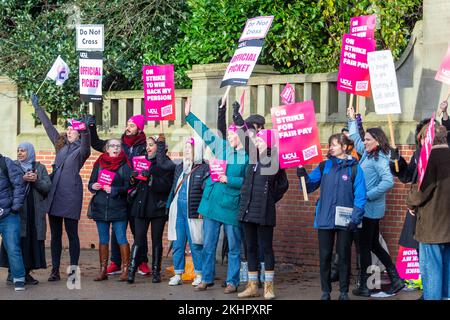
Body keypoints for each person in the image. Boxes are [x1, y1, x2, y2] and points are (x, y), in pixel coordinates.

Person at [185, 99, 249, 294]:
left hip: (231, 205)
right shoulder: (222, 147)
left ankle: (232, 281)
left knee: (234, 248)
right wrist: (189, 115)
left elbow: (247, 183)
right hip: (212, 203)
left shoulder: (248, 156)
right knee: (208, 244)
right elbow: (205, 132)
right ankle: (206, 278)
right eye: (228, 134)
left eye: (232, 134)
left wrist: (228, 179)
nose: (229, 137)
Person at [297, 133, 366, 300]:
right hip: (325, 219)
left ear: (344, 147)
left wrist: (355, 219)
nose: (331, 147)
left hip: (346, 221)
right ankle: (325, 291)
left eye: (334, 144)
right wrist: (302, 175)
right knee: (325, 256)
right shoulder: (324, 166)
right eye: (330, 144)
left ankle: (343, 292)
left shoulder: (355, 168)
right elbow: (309, 185)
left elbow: (360, 195)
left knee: (344, 257)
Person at [31, 93, 91, 281]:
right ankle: (55, 270)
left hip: (71, 196)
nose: (69, 131)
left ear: (79, 133)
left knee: (72, 234)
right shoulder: (61, 145)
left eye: (73, 129)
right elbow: (49, 128)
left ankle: (73, 272)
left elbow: (87, 145)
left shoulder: (82, 149)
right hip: (54, 195)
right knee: (55, 236)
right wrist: (38, 108)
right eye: (69, 128)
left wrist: (86, 129)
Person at [347, 105, 404, 296]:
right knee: (373, 245)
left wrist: (367, 195)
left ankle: (366, 286)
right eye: (365, 139)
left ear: (377, 141)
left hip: (370, 209)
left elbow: (388, 181)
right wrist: (352, 120)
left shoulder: (379, 157)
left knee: (365, 248)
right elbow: (355, 138)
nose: (364, 141)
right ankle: (395, 279)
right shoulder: (368, 152)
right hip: (368, 208)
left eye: (368, 139)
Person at [86, 114, 150, 276]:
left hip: (137, 192)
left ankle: (141, 261)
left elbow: (153, 161)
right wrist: (91, 127)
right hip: (115, 197)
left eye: (132, 125)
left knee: (138, 230)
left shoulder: (144, 145)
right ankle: (115, 262)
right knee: (115, 231)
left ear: (139, 129)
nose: (128, 127)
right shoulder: (118, 143)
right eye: (127, 124)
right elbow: (96, 143)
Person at [236, 128, 289, 300]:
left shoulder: (273, 158)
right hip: (247, 208)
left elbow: (282, 184)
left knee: (266, 248)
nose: (256, 143)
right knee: (250, 248)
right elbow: (244, 140)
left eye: (259, 141)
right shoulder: (253, 158)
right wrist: (237, 119)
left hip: (264, 211)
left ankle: (268, 287)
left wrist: (270, 198)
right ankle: (252, 286)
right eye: (256, 141)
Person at [406, 124, 450, 300]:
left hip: (433, 226)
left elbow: (420, 193)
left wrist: (410, 203)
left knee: (431, 270)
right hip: (447, 225)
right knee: (447, 266)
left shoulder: (431, 159)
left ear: (427, 138)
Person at [0, 143, 50, 285]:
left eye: (23, 150)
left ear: (31, 152)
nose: (20, 153)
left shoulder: (40, 167)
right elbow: (6, 186)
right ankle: (13, 273)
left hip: (34, 212)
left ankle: (26, 274)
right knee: (14, 242)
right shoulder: (11, 165)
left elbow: (47, 187)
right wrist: (22, 179)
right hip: (15, 211)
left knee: (31, 241)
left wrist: (36, 180)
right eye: (18, 150)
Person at [127, 134, 175, 284]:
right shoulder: (141, 161)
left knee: (156, 240)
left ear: (160, 148)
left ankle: (156, 271)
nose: (147, 148)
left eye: (151, 145)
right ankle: (131, 270)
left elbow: (166, 186)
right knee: (139, 238)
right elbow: (133, 185)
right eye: (147, 145)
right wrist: (133, 178)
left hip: (157, 206)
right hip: (141, 205)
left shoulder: (166, 164)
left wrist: (151, 179)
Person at [166, 137, 210, 287]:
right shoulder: (179, 167)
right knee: (178, 244)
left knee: (195, 244)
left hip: (193, 212)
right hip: (178, 212)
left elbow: (206, 193)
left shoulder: (204, 168)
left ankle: (199, 273)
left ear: (196, 150)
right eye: (184, 147)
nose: (186, 150)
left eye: (189, 147)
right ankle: (178, 273)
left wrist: (202, 210)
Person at [88, 139, 132, 281]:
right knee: (103, 239)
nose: (115, 148)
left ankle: (125, 270)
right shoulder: (99, 163)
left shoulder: (125, 165)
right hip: (101, 207)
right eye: (112, 146)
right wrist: (93, 186)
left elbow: (128, 187)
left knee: (121, 238)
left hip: (119, 208)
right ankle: (103, 270)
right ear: (106, 148)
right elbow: (90, 183)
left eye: (118, 146)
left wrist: (114, 190)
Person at [0, 153, 27, 291]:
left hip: (8, 214)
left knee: (13, 248)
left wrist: (15, 208)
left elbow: (19, 185)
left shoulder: (6, 163)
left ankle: (19, 279)